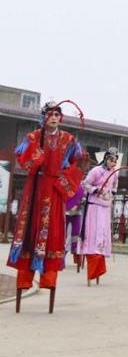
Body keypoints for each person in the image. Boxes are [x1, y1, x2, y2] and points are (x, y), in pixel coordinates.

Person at [7, 102, 86, 313]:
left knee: (53, 234)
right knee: (29, 233)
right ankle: (24, 280)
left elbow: (80, 162)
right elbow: (22, 159)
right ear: (44, 117)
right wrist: (36, 157)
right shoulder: (33, 137)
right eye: (50, 114)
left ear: (61, 118)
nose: (54, 117)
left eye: (57, 114)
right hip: (35, 189)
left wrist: (64, 179)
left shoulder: (69, 140)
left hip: (54, 190)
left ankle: (49, 280)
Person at [77, 147, 119, 286]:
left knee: (102, 234)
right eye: (111, 160)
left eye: (115, 161)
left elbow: (114, 188)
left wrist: (111, 194)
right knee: (93, 234)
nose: (113, 163)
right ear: (106, 159)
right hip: (94, 206)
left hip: (105, 207)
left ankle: (99, 264)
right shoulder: (96, 171)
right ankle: (90, 266)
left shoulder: (114, 174)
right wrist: (96, 190)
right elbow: (85, 184)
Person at [65, 184, 85, 270]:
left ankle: (77, 254)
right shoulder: (65, 183)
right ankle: (60, 257)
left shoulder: (81, 186)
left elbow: (83, 198)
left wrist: (77, 204)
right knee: (63, 234)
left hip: (77, 212)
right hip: (65, 212)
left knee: (76, 235)